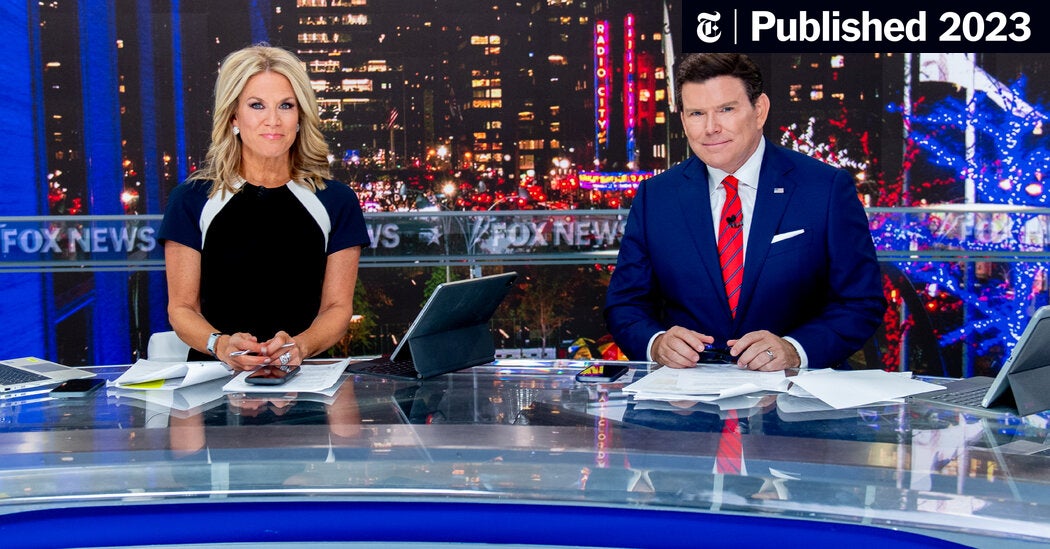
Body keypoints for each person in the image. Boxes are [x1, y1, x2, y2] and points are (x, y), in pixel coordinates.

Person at [604, 53, 885, 371]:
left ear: (759, 110)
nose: (711, 128)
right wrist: (656, 343)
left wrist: (795, 350)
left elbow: (861, 302)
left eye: (726, 109)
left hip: (798, 390)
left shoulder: (826, 188)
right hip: (686, 392)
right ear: (683, 119)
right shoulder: (655, 197)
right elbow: (625, 305)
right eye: (697, 113)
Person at [159, 43, 370, 374]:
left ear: (300, 117)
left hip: (305, 379)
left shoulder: (336, 201)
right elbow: (182, 308)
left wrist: (300, 346)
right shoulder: (191, 199)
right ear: (234, 116)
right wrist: (221, 344)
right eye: (257, 105)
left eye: (286, 105)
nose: (273, 120)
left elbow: (337, 308)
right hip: (214, 380)